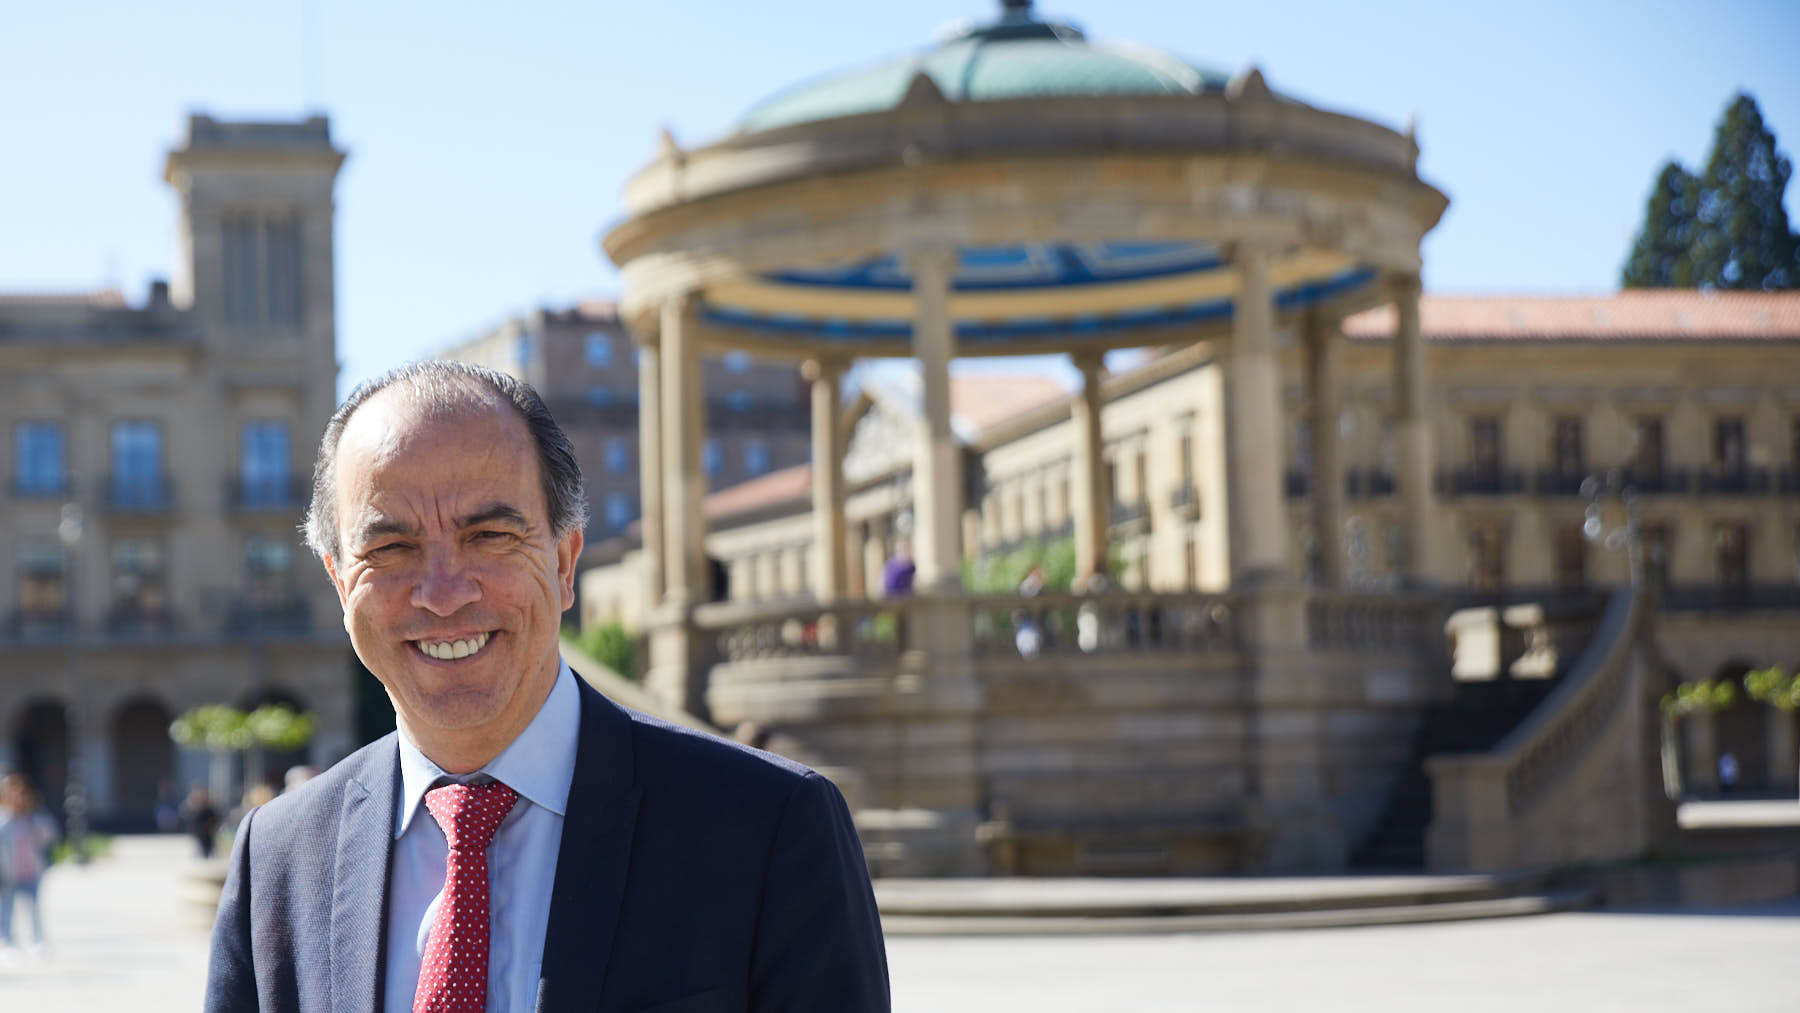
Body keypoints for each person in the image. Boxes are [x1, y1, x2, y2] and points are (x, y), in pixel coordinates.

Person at [205, 362, 888, 1012]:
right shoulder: (279, 857)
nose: (443, 594)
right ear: (337, 579)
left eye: (490, 535)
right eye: (391, 548)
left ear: (565, 562)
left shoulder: (768, 829)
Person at [0, 774, 60, 958]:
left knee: (34, 909)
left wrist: (36, 812)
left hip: (32, 871)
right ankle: (7, 942)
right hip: (8, 873)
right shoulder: (4, 821)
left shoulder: (34, 818)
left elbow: (50, 836)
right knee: (6, 910)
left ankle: (37, 942)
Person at [180, 786, 221, 860]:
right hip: (199, 835)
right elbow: (188, 818)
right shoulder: (194, 809)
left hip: (207, 835)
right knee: (201, 852)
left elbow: (215, 819)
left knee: (208, 851)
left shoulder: (209, 810)